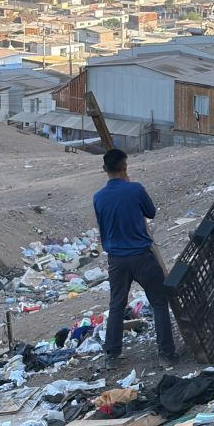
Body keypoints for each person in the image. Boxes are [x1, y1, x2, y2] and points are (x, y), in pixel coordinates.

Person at [92, 148, 176, 371]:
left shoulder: (98, 197)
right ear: (125, 167)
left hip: (116, 260)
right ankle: (166, 355)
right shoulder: (135, 189)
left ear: (104, 169)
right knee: (159, 303)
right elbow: (151, 212)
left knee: (116, 305)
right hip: (142, 256)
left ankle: (112, 355)